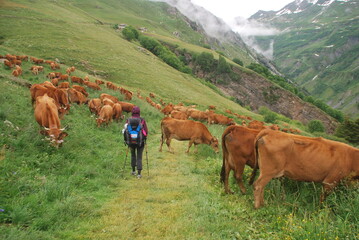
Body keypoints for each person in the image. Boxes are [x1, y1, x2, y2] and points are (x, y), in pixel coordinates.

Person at [124, 106, 148, 179]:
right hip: (140, 142)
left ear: (132, 112)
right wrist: (144, 137)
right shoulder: (142, 120)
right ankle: (139, 174)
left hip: (131, 141)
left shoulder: (128, 120)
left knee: (133, 155)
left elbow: (125, 130)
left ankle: (133, 171)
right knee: (139, 157)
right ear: (139, 112)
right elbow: (146, 131)